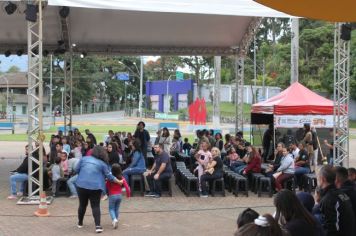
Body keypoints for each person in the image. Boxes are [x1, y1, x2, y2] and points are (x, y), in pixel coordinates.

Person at [75, 146, 123, 233]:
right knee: (95, 206)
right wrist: (119, 182)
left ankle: (80, 223)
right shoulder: (103, 164)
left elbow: (76, 169)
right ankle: (98, 226)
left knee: (82, 204)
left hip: (81, 185)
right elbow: (110, 176)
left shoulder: (84, 159)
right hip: (96, 187)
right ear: (103, 153)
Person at [316, 165, 355, 236]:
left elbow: (332, 229)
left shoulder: (329, 199)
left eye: (317, 178)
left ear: (322, 179)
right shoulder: (340, 193)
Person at [106, 164, 130, 229]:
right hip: (119, 196)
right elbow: (127, 188)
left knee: (111, 209)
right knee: (116, 208)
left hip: (112, 195)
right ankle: (116, 220)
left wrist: (107, 194)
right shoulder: (122, 178)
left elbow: (107, 187)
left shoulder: (110, 179)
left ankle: (114, 219)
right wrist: (128, 195)